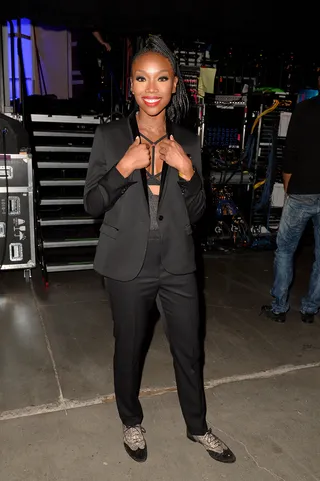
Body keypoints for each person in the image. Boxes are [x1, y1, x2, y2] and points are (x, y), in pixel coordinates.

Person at [84, 35, 236, 464]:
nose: (151, 88)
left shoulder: (188, 140)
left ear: (173, 87)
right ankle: (131, 421)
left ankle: (198, 427)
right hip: (125, 265)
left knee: (190, 348)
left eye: (161, 78)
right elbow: (91, 203)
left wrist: (188, 172)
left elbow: (199, 211)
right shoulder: (110, 136)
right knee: (128, 347)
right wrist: (122, 169)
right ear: (130, 86)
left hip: (177, 263)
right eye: (141, 78)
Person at [261, 85, 320, 324]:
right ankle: (310, 309)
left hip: (302, 189)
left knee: (285, 250)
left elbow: (290, 150)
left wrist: (288, 186)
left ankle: (279, 308)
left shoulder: (305, 109)